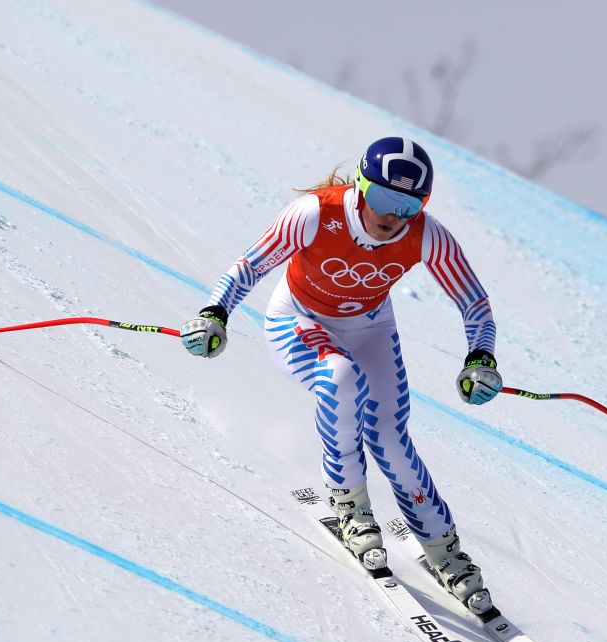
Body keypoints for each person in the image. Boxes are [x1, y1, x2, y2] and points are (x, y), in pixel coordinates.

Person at [180, 137, 502, 615]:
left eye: (410, 204)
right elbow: (250, 266)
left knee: (391, 439)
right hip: (299, 319)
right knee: (340, 378)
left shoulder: (426, 236)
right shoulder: (313, 214)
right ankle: (351, 505)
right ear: (360, 186)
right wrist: (215, 313)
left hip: (371, 327)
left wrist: (481, 357)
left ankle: (443, 549)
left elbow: (473, 302)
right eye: (383, 198)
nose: (394, 215)